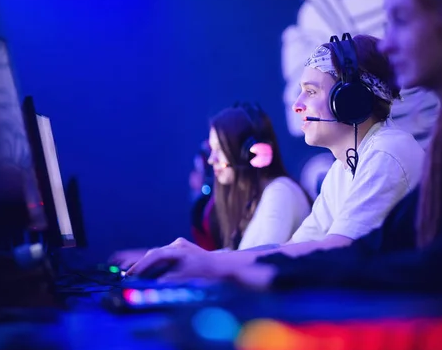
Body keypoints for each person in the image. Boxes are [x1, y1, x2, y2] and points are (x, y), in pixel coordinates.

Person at [180, 0, 442, 293]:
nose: (387, 43)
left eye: (400, 19)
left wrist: (238, 270)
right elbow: (372, 248)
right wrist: (220, 265)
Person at [126, 34, 426, 279]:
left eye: (311, 91)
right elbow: (296, 247)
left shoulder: (388, 150)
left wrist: (212, 265)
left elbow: (339, 248)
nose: (297, 105)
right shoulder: (342, 170)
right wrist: (203, 258)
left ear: (349, 100)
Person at [109, 102, 311, 268]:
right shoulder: (255, 199)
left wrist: (185, 259)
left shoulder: (281, 191)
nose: (212, 159)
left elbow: (255, 260)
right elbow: (237, 256)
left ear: (250, 152)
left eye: (219, 149)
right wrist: (156, 255)